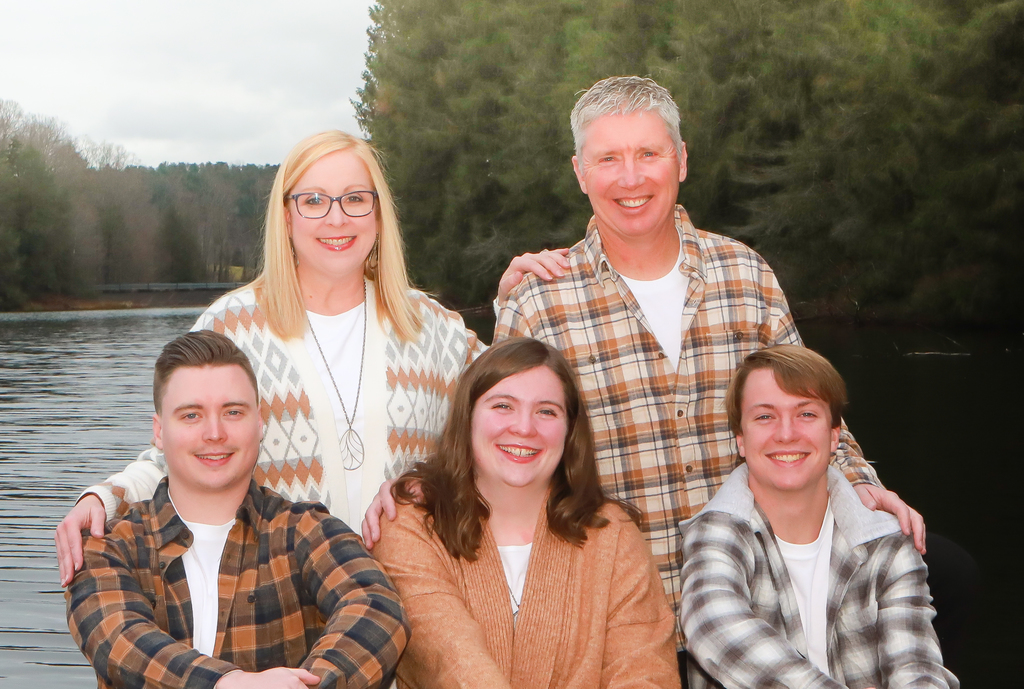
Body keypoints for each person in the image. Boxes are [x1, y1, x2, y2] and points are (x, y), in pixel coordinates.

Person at [486, 76, 927, 660]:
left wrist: (868, 489)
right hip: (615, 625)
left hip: (757, 609)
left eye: (649, 153)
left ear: (682, 159)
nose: (631, 177)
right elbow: (496, 462)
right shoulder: (538, 303)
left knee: (943, 568)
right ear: (579, 172)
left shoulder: (745, 275)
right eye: (608, 158)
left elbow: (810, 412)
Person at [55, 130, 485, 586]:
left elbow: (513, 429)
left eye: (355, 199)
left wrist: (521, 306)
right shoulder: (230, 327)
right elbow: (184, 449)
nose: (336, 219)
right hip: (277, 605)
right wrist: (106, 498)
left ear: (378, 213)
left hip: (414, 603)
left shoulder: (434, 328)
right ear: (286, 215)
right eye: (314, 200)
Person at [66, 331, 408, 689]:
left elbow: (377, 607)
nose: (214, 433)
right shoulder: (107, 546)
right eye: (191, 415)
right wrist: (226, 683)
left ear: (259, 424)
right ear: (159, 431)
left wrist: (309, 685)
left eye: (232, 412)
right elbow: (118, 639)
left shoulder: (305, 530)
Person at [373, 338, 680, 689]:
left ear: (569, 430)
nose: (524, 427)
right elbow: (451, 658)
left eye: (547, 411)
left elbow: (644, 671)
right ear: (467, 417)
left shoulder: (613, 534)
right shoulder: (410, 525)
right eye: (503, 406)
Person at [679, 345, 957, 689]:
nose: (786, 433)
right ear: (740, 440)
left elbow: (917, 669)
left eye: (806, 414)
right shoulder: (715, 536)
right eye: (765, 416)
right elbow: (714, 629)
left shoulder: (889, 543)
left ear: (834, 436)